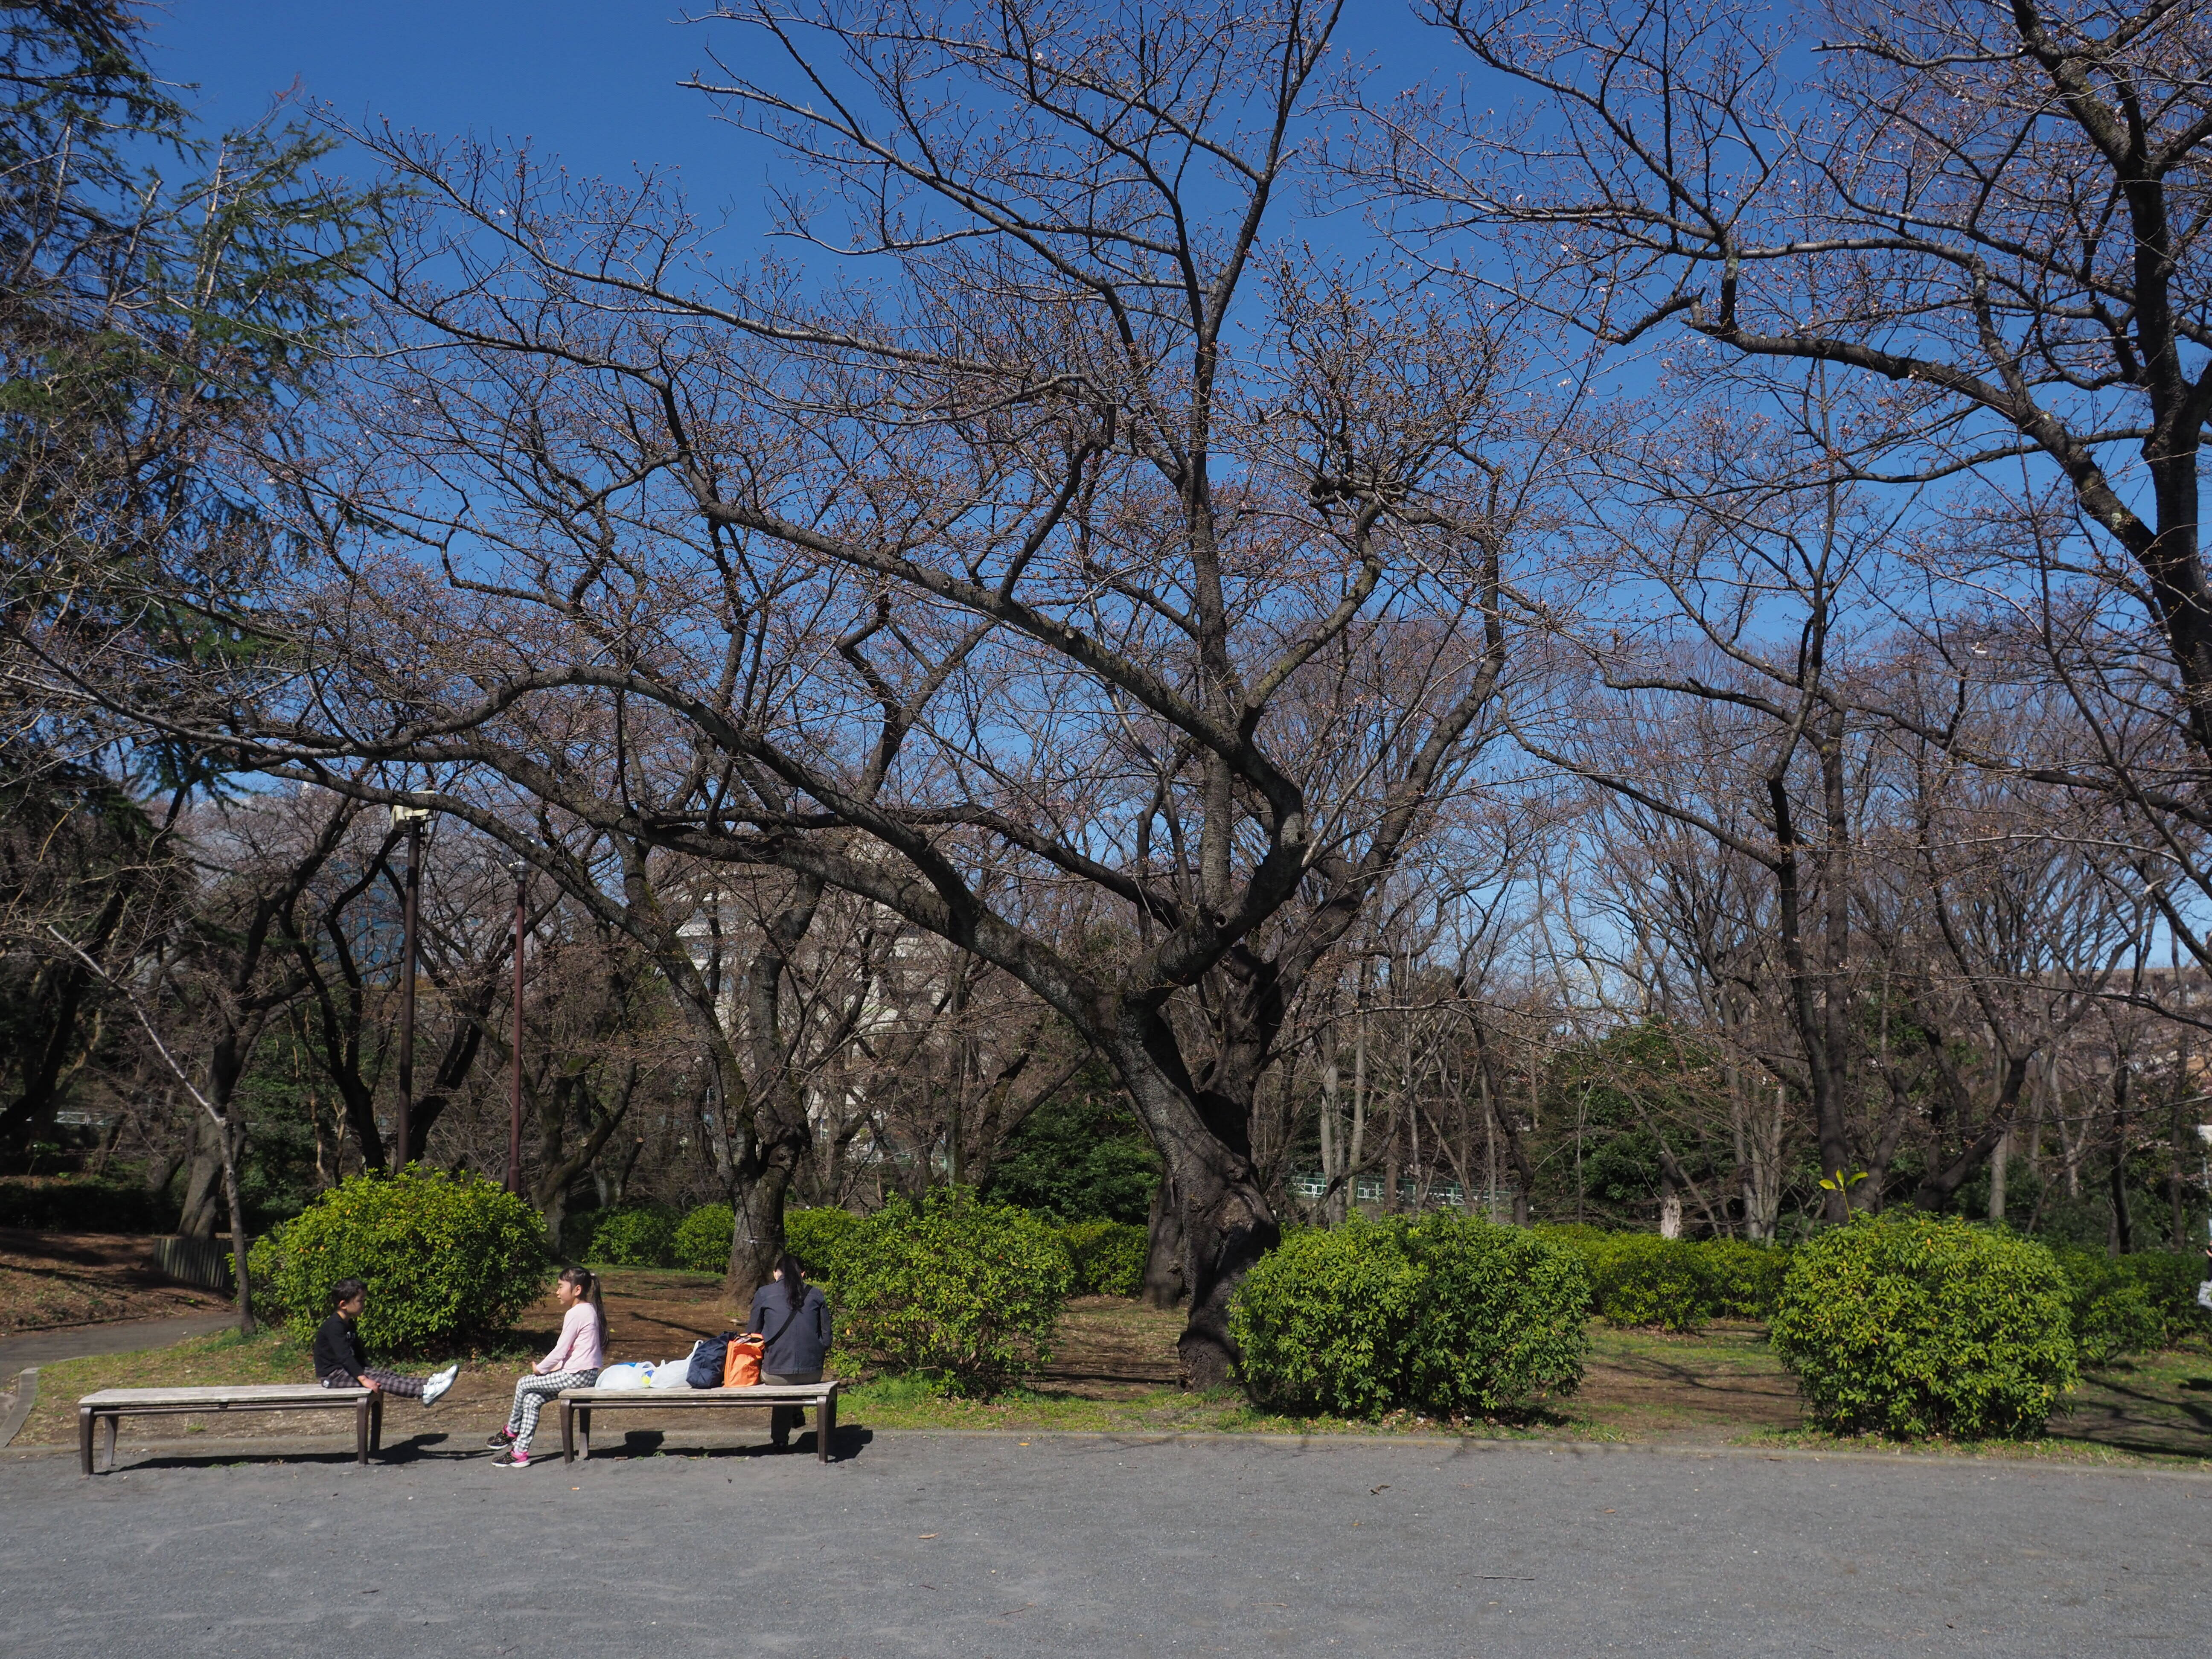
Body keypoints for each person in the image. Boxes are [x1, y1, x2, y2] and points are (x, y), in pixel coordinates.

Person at [489, 1265, 605, 1468]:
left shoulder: (576, 1313)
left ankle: (511, 1431)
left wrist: (541, 1369)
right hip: (585, 1374)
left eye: (561, 1287)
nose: (557, 1292)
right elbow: (575, 1351)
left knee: (524, 1383)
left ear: (577, 1290)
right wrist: (555, 1368)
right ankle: (519, 1453)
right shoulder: (588, 1310)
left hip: (577, 1376)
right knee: (533, 1399)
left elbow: (561, 1349)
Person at [312, 1278, 459, 1403]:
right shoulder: (334, 1326)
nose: (363, 1305)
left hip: (345, 1371)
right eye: (360, 1301)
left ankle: (429, 1383)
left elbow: (358, 1353)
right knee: (382, 1381)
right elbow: (344, 1356)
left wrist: (369, 1371)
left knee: (386, 1375)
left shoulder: (349, 1323)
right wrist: (364, 1379)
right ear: (344, 1305)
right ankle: (424, 1393)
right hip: (333, 1376)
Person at [746, 1252, 832, 1451]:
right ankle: (796, 1410)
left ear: (776, 1273)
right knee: (794, 1376)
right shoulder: (817, 1294)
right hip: (812, 1373)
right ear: (803, 1274)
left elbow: (752, 1336)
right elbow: (827, 1338)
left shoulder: (764, 1294)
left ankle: (780, 1440)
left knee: (782, 1380)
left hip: (775, 1373)